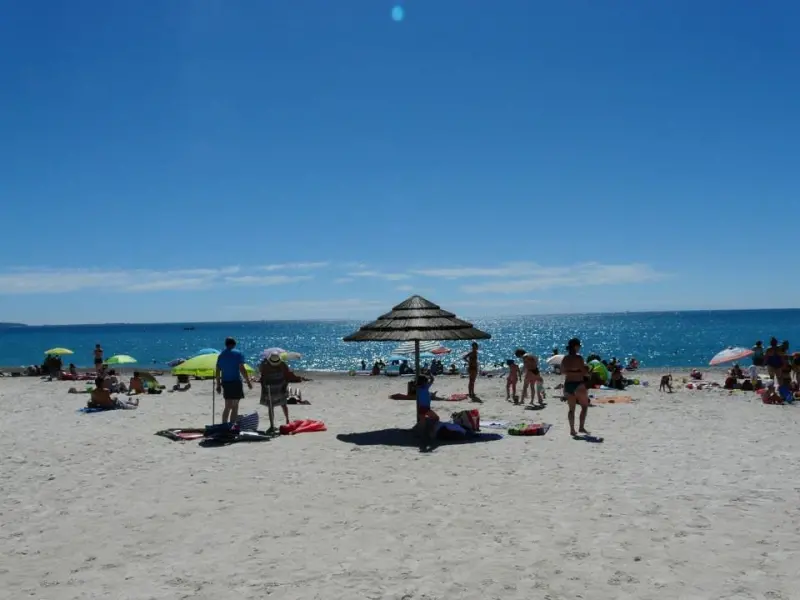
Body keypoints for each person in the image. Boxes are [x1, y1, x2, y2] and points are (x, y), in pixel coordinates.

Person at [215, 337, 252, 424]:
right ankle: (231, 425)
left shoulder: (221, 355)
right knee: (235, 406)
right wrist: (248, 381)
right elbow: (242, 369)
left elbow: (217, 371)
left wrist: (218, 385)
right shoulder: (238, 354)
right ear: (234, 344)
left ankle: (224, 425)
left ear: (226, 344)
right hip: (235, 382)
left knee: (227, 406)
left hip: (225, 382)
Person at [561, 338, 590, 437]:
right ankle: (581, 427)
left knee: (571, 409)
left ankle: (572, 430)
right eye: (579, 346)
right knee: (584, 406)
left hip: (568, 384)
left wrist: (571, 372)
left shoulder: (565, 358)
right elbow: (584, 372)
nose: (580, 347)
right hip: (578, 383)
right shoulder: (579, 358)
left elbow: (563, 372)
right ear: (575, 346)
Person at [259, 352, 291, 432]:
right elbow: (288, 376)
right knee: (283, 404)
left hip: (271, 388)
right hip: (280, 386)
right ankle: (287, 420)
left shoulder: (266, 366)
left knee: (271, 406)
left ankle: (272, 425)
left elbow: (262, 378)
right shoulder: (283, 364)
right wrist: (285, 386)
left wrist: (263, 389)